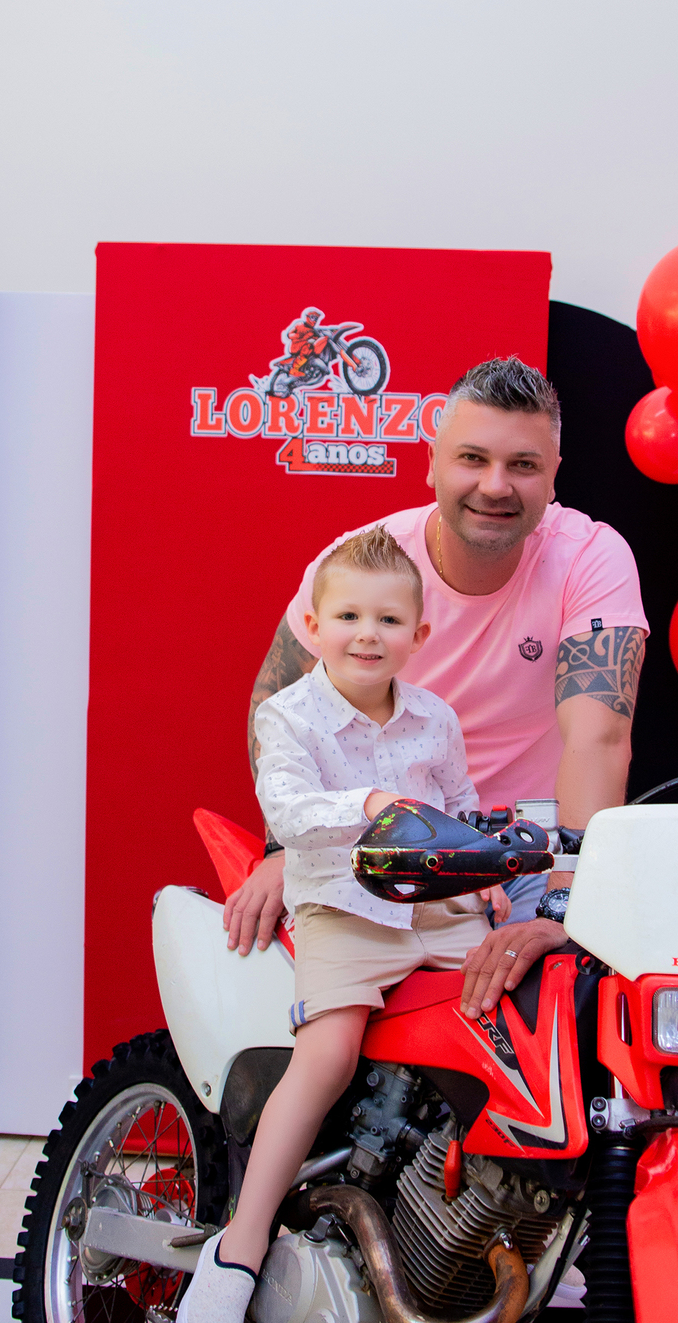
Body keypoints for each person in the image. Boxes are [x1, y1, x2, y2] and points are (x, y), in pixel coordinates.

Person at [224, 356, 649, 1022]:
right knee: (331, 1050)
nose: (495, 486)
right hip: (377, 851)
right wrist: (289, 850)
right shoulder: (366, 561)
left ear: (554, 474)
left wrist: (567, 905)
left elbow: (599, 735)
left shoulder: (590, 557)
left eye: (524, 466)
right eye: (472, 459)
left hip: (530, 862)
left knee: (569, 1049)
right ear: (431, 463)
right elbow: (278, 699)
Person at [177, 525, 507, 1323]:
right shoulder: (286, 717)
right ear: (313, 628)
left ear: (418, 635)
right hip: (345, 908)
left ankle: (474, 1224)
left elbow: (462, 801)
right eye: (350, 616)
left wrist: (487, 862)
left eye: (390, 620)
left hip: (437, 906)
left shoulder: (435, 715)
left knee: (513, 1029)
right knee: (325, 1055)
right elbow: (286, 813)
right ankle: (241, 1249)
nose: (369, 634)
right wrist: (371, 800)